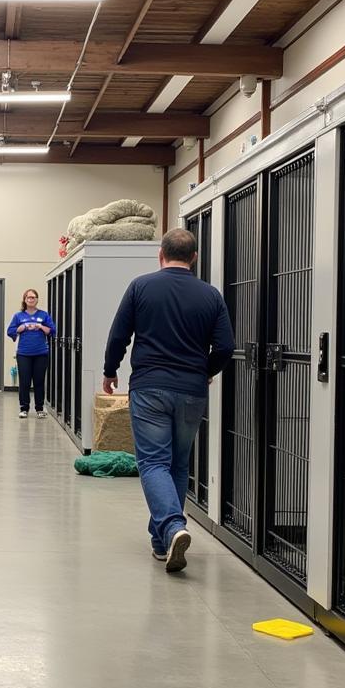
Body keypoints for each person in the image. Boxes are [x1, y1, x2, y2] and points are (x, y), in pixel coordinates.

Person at [102, 228, 234, 574]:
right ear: (194, 258)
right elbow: (224, 347)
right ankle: (162, 543)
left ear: (161, 255)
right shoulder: (211, 295)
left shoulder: (141, 286)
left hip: (149, 387)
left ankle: (174, 526)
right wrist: (206, 371)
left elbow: (119, 334)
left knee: (153, 463)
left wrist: (110, 370)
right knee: (177, 463)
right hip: (192, 390)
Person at [6, 288, 56, 419]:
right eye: (28, 297)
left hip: (41, 353)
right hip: (23, 354)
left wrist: (40, 327)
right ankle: (24, 408)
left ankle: (39, 408)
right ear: (25, 300)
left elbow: (52, 330)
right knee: (25, 381)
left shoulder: (44, 315)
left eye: (33, 297)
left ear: (37, 299)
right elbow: (10, 331)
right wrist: (20, 328)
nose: (31, 299)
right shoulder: (19, 316)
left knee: (39, 381)